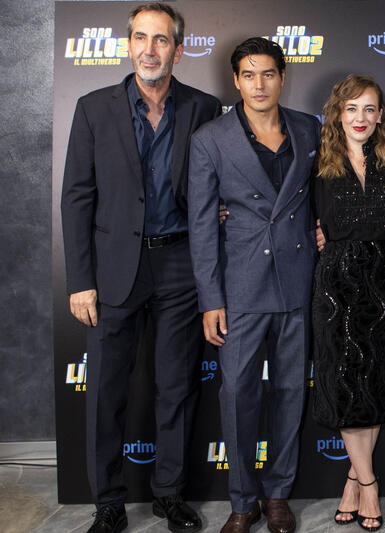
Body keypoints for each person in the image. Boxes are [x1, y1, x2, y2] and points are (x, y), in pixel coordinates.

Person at [61, 4, 219, 532]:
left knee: (176, 386)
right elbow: (77, 199)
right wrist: (81, 280)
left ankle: (169, 494)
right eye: (141, 38)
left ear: (178, 47)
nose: (150, 49)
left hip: (180, 265)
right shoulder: (93, 108)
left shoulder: (204, 107)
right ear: (128, 44)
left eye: (162, 39)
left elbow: (220, 184)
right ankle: (108, 500)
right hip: (112, 270)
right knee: (106, 389)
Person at [187, 37, 319, 533]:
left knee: (289, 393)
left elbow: (332, 184)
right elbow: (201, 225)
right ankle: (243, 501)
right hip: (239, 288)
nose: (259, 84)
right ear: (236, 81)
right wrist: (210, 299)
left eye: (268, 74)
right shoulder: (210, 139)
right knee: (238, 396)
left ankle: (278, 495)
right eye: (249, 74)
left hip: (296, 282)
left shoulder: (308, 130)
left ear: (283, 78)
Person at [310, 75, 385, 532]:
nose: (361, 118)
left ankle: (352, 477)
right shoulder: (318, 164)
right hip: (338, 286)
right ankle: (370, 483)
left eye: (370, 109)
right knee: (347, 384)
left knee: (374, 382)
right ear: (338, 114)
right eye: (352, 109)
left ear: (381, 115)